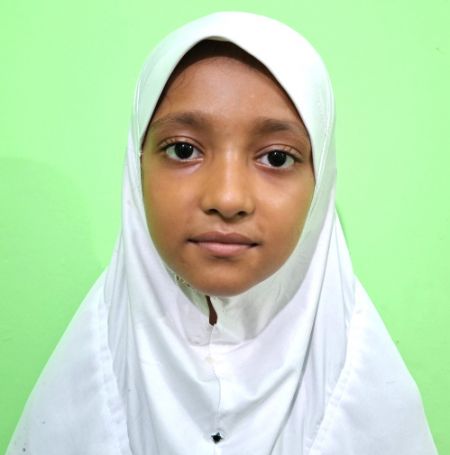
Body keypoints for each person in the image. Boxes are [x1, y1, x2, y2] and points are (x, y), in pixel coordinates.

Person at [6, 11, 437, 455]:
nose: (228, 198)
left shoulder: (369, 401)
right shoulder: (87, 386)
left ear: (320, 182)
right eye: (183, 150)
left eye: (276, 158)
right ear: (137, 168)